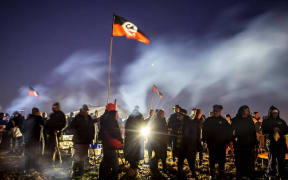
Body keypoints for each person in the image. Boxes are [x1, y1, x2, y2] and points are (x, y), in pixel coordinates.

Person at [202, 105, 233, 178]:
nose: (217, 112)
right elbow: (204, 130)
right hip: (211, 144)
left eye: (218, 111)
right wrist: (204, 139)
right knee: (212, 159)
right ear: (213, 111)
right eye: (215, 110)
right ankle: (212, 174)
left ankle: (221, 173)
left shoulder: (223, 121)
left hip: (221, 145)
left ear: (220, 111)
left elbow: (228, 131)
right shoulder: (208, 120)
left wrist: (229, 141)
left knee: (222, 159)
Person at [231, 105, 258, 179]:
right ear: (242, 111)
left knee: (250, 164)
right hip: (239, 146)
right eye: (247, 110)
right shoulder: (235, 120)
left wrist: (256, 144)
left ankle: (250, 176)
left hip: (250, 146)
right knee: (240, 164)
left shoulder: (250, 120)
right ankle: (239, 176)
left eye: (248, 110)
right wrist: (234, 141)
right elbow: (232, 133)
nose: (249, 111)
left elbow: (253, 132)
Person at [262, 106, 288, 179]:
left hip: (281, 144)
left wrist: (280, 130)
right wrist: (272, 130)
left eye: (276, 112)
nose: (275, 114)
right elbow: (263, 131)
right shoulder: (267, 121)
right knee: (272, 160)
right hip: (271, 143)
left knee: (281, 160)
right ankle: (271, 174)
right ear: (271, 113)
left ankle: (281, 174)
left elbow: (286, 130)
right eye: (273, 112)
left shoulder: (282, 121)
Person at [99, 103, 122, 180]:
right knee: (114, 164)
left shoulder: (104, 117)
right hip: (111, 143)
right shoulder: (111, 118)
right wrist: (120, 140)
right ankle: (112, 177)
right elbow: (114, 131)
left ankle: (103, 176)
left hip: (106, 143)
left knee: (106, 161)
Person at [70, 104, 95, 177]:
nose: (87, 112)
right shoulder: (77, 117)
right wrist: (78, 132)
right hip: (79, 141)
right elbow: (71, 127)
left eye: (87, 110)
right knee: (78, 156)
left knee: (83, 156)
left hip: (86, 140)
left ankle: (80, 170)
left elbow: (91, 126)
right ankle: (76, 171)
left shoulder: (89, 118)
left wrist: (91, 137)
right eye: (86, 110)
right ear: (82, 110)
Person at [177, 108, 200, 178]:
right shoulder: (186, 122)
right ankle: (190, 174)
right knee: (186, 162)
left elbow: (187, 135)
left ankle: (188, 174)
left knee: (186, 162)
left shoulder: (187, 123)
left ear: (182, 116)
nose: (178, 118)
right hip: (187, 147)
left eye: (179, 116)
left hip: (187, 147)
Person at [124, 106, 145, 178]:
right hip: (137, 138)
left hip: (131, 138)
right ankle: (134, 169)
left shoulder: (130, 117)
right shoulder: (140, 116)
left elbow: (126, 128)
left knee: (132, 153)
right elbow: (143, 126)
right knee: (136, 154)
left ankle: (132, 169)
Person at [23, 107, 44, 173]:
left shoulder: (28, 119)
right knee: (37, 155)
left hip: (28, 140)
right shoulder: (39, 119)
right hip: (36, 141)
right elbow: (46, 126)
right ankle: (36, 168)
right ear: (37, 112)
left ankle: (27, 169)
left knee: (28, 155)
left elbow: (23, 129)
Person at [150, 109, 168, 174]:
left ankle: (164, 168)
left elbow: (165, 129)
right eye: (163, 114)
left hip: (163, 142)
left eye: (164, 114)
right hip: (157, 142)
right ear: (160, 114)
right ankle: (154, 167)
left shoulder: (164, 120)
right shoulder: (155, 121)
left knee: (164, 156)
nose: (164, 115)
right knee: (157, 155)